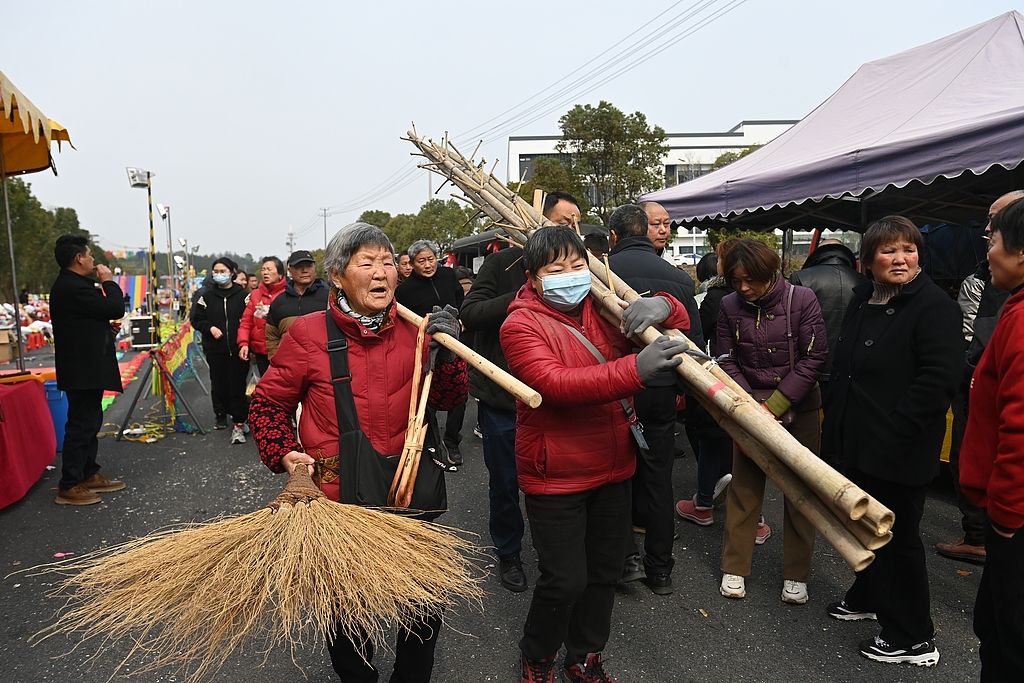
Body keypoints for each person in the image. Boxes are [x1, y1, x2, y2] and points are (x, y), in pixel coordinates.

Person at [249, 222, 466, 683]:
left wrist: (449, 354)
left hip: (408, 493)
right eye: (366, 263)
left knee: (422, 607)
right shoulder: (307, 334)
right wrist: (286, 454)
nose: (381, 272)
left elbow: (449, 399)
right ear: (338, 275)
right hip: (338, 501)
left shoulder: (418, 330)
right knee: (347, 614)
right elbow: (268, 405)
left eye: (387, 262)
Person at [502, 226, 690, 683]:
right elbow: (555, 385)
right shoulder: (520, 325)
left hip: (613, 466)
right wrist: (635, 369)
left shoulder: (606, 307)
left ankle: (585, 655)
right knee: (564, 579)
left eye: (577, 265)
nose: (570, 275)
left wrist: (664, 305)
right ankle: (538, 655)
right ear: (532, 277)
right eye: (556, 269)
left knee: (604, 572)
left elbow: (681, 322)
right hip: (556, 473)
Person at [822, 216, 961, 667]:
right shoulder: (866, 297)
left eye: (909, 249)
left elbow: (938, 381)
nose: (901, 259)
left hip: (899, 449)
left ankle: (913, 637)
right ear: (867, 260)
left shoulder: (933, 307)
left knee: (897, 540)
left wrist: (896, 432)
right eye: (889, 250)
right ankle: (868, 596)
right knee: (865, 530)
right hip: (858, 443)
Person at [460, 191, 581, 594]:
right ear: (535, 220)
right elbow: (471, 312)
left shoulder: (586, 271)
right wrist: (525, 294)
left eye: (576, 222)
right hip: (505, 399)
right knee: (506, 481)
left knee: (558, 484)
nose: (572, 229)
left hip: (560, 399)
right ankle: (509, 552)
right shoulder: (504, 264)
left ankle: (555, 556)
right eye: (563, 222)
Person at [716, 238, 827, 605]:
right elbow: (726, 359)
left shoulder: (802, 299)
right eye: (736, 281)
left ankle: (796, 574)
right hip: (749, 405)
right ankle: (735, 566)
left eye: (752, 279)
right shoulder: (729, 305)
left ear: (771, 272)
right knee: (745, 487)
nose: (744, 288)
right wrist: (752, 405)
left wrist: (776, 405)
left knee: (800, 492)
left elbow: (814, 357)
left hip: (800, 407)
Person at [606, 203, 700, 596]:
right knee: (659, 478)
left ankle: (626, 560)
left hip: (614, 387)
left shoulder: (602, 272)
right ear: (646, 231)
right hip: (661, 390)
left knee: (617, 476)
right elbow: (696, 338)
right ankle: (661, 569)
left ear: (613, 236)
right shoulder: (677, 278)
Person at [937, 190, 1024, 566]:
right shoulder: (1005, 297)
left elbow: (1017, 429)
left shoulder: (1018, 316)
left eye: (996, 227)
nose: (987, 234)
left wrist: (1005, 518)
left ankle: (980, 535)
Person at [959, 196, 1024, 681]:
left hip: (1014, 521)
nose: (988, 251)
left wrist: (1004, 517)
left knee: (1008, 637)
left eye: (994, 238)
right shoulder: (1013, 308)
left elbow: (1019, 428)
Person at [49, 235, 126, 505]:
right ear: (79, 258)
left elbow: (88, 319)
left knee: (90, 422)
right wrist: (108, 282)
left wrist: (103, 330)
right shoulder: (72, 286)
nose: (93, 260)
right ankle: (70, 483)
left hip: (87, 365)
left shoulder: (75, 285)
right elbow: (115, 307)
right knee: (81, 425)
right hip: (81, 369)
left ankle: (88, 472)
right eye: (90, 254)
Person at [676, 238, 741, 527]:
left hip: (720, 379)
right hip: (757, 386)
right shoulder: (775, 296)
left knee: (710, 440)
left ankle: (703, 503)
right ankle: (755, 519)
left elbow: (698, 337)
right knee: (747, 449)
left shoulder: (716, 298)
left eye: (720, 258)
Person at [396, 240, 467, 467]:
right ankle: (432, 440)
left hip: (455, 342)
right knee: (427, 395)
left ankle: (452, 440)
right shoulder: (404, 291)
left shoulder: (448, 275)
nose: (428, 265)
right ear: (412, 264)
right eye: (421, 261)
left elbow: (461, 299)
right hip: (425, 347)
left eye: (430, 259)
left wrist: (461, 319)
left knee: (460, 391)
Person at [789, 239, 868, 388]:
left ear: (818, 253)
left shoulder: (800, 277)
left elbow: (790, 325)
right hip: (851, 365)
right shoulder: (864, 281)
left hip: (808, 366)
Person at [192, 258, 250, 442]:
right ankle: (221, 413)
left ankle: (239, 420)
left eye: (223, 271)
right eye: (215, 271)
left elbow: (250, 319)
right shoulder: (206, 296)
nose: (219, 274)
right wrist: (209, 328)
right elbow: (196, 319)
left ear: (232, 273)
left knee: (238, 385)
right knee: (219, 384)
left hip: (238, 349)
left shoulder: (243, 296)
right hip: (215, 349)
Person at [265, 250, 329, 359]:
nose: (305, 270)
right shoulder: (279, 302)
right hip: (290, 363)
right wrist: (276, 360)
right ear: (290, 270)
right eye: (299, 266)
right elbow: (271, 336)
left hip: (323, 362)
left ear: (315, 267)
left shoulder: (329, 297)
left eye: (309, 266)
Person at [238, 256, 286, 376]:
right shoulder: (255, 295)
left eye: (269, 269)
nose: (265, 273)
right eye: (263, 269)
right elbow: (246, 322)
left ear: (280, 274)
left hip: (283, 350)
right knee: (265, 382)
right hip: (261, 351)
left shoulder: (288, 294)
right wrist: (243, 343)